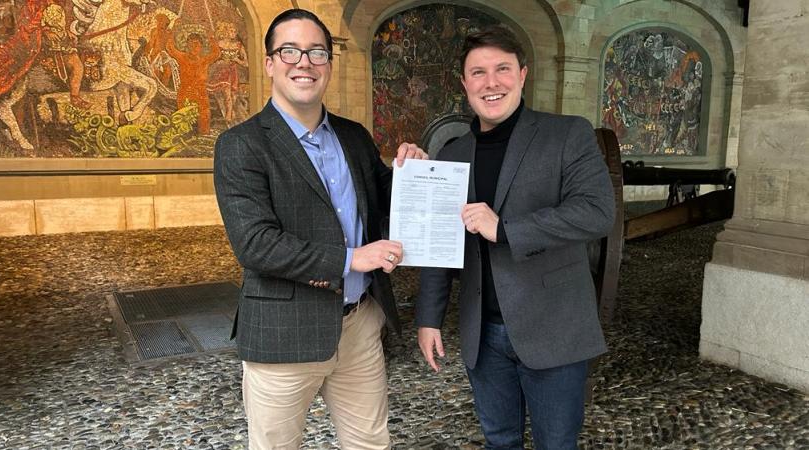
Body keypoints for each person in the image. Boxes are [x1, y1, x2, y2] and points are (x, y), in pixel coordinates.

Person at [213, 8, 427, 450]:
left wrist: (414, 173)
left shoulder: (354, 136)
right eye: (289, 51)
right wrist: (352, 259)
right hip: (283, 332)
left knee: (370, 443)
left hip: (359, 325)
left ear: (329, 63)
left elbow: (386, 202)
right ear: (269, 63)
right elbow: (256, 245)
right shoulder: (241, 145)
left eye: (317, 52)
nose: (304, 62)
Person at [416, 25, 615, 450]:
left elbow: (597, 213)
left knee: (555, 444)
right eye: (478, 72)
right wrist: (429, 318)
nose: (491, 83)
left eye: (502, 69)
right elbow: (438, 244)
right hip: (483, 335)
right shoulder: (451, 155)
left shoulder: (567, 134)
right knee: (499, 441)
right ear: (464, 84)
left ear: (522, 74)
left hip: (553, 326)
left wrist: (505, 229)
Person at [166, 30, 221, 135]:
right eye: (190, 44)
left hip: (201, 93)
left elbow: (216, 53)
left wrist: (212, 38)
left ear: (201, 47)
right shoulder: (182, 57)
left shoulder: (204, 60)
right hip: (185, 92)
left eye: (196, 45)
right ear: (187, 46)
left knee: (205, 116)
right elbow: (170, 48)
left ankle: (203, 136)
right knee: (183, 119)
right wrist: (171, 33)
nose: (193, 47)